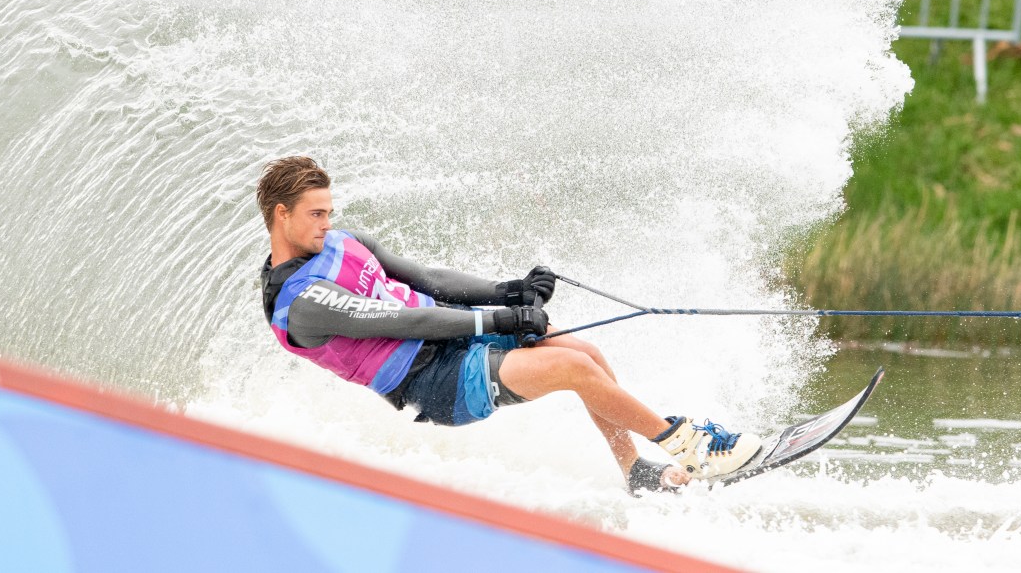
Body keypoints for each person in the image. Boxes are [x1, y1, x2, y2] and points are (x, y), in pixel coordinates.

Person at [256, 156, 762, 492]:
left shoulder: (341, 241)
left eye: (328, 211)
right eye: (316, 214)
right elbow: (406, 319)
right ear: (282, 215)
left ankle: (636, 473)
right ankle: (689, 445)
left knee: (585, 354)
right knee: (572, 369)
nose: (328, 223)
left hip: (448, 336)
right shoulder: (301, 304)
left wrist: (508, 291)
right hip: (429, 382)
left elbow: (426, 280)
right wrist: (500, 318)